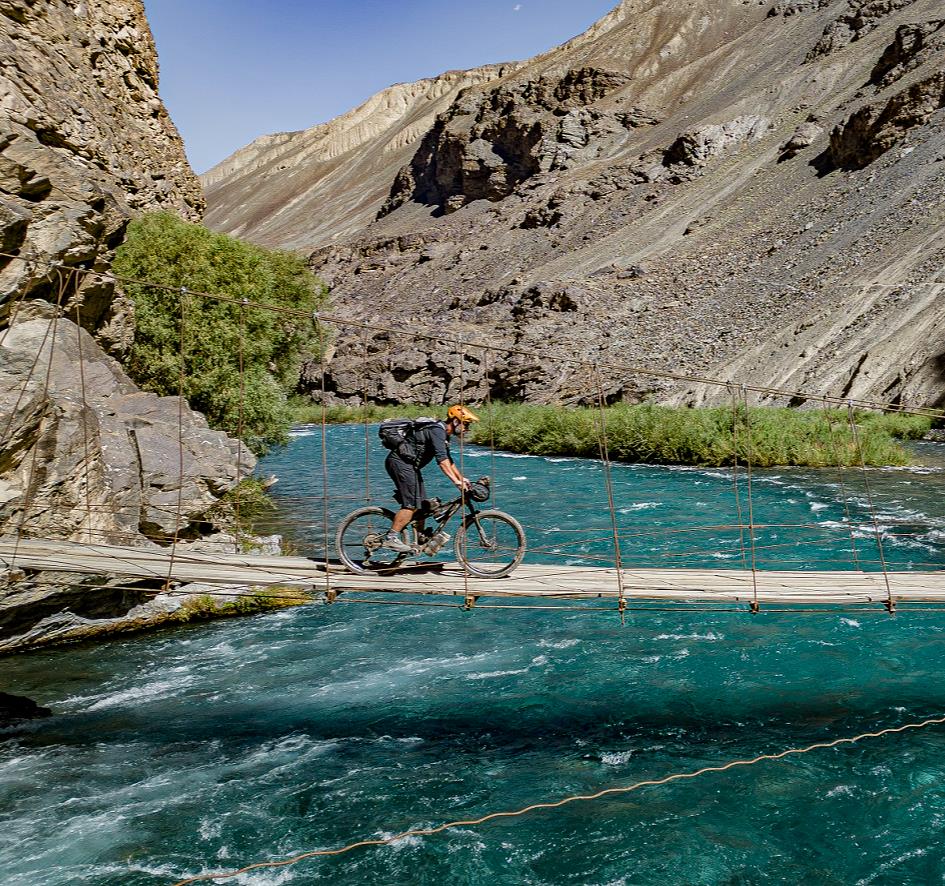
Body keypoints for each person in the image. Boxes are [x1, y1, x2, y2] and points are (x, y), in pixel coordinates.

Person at [381, 404, 479, 552]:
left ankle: (420, 539)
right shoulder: (437, 430)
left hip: (409, 467)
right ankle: (391, 538)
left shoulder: (443, 434)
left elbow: (448, 460)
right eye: (466, 424)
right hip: (400, 464)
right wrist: (456, 482)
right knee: (411, 504)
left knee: (423, 504)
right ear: (456, 421)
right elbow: (441, 461)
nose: (467, 429)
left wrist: (462, 477)